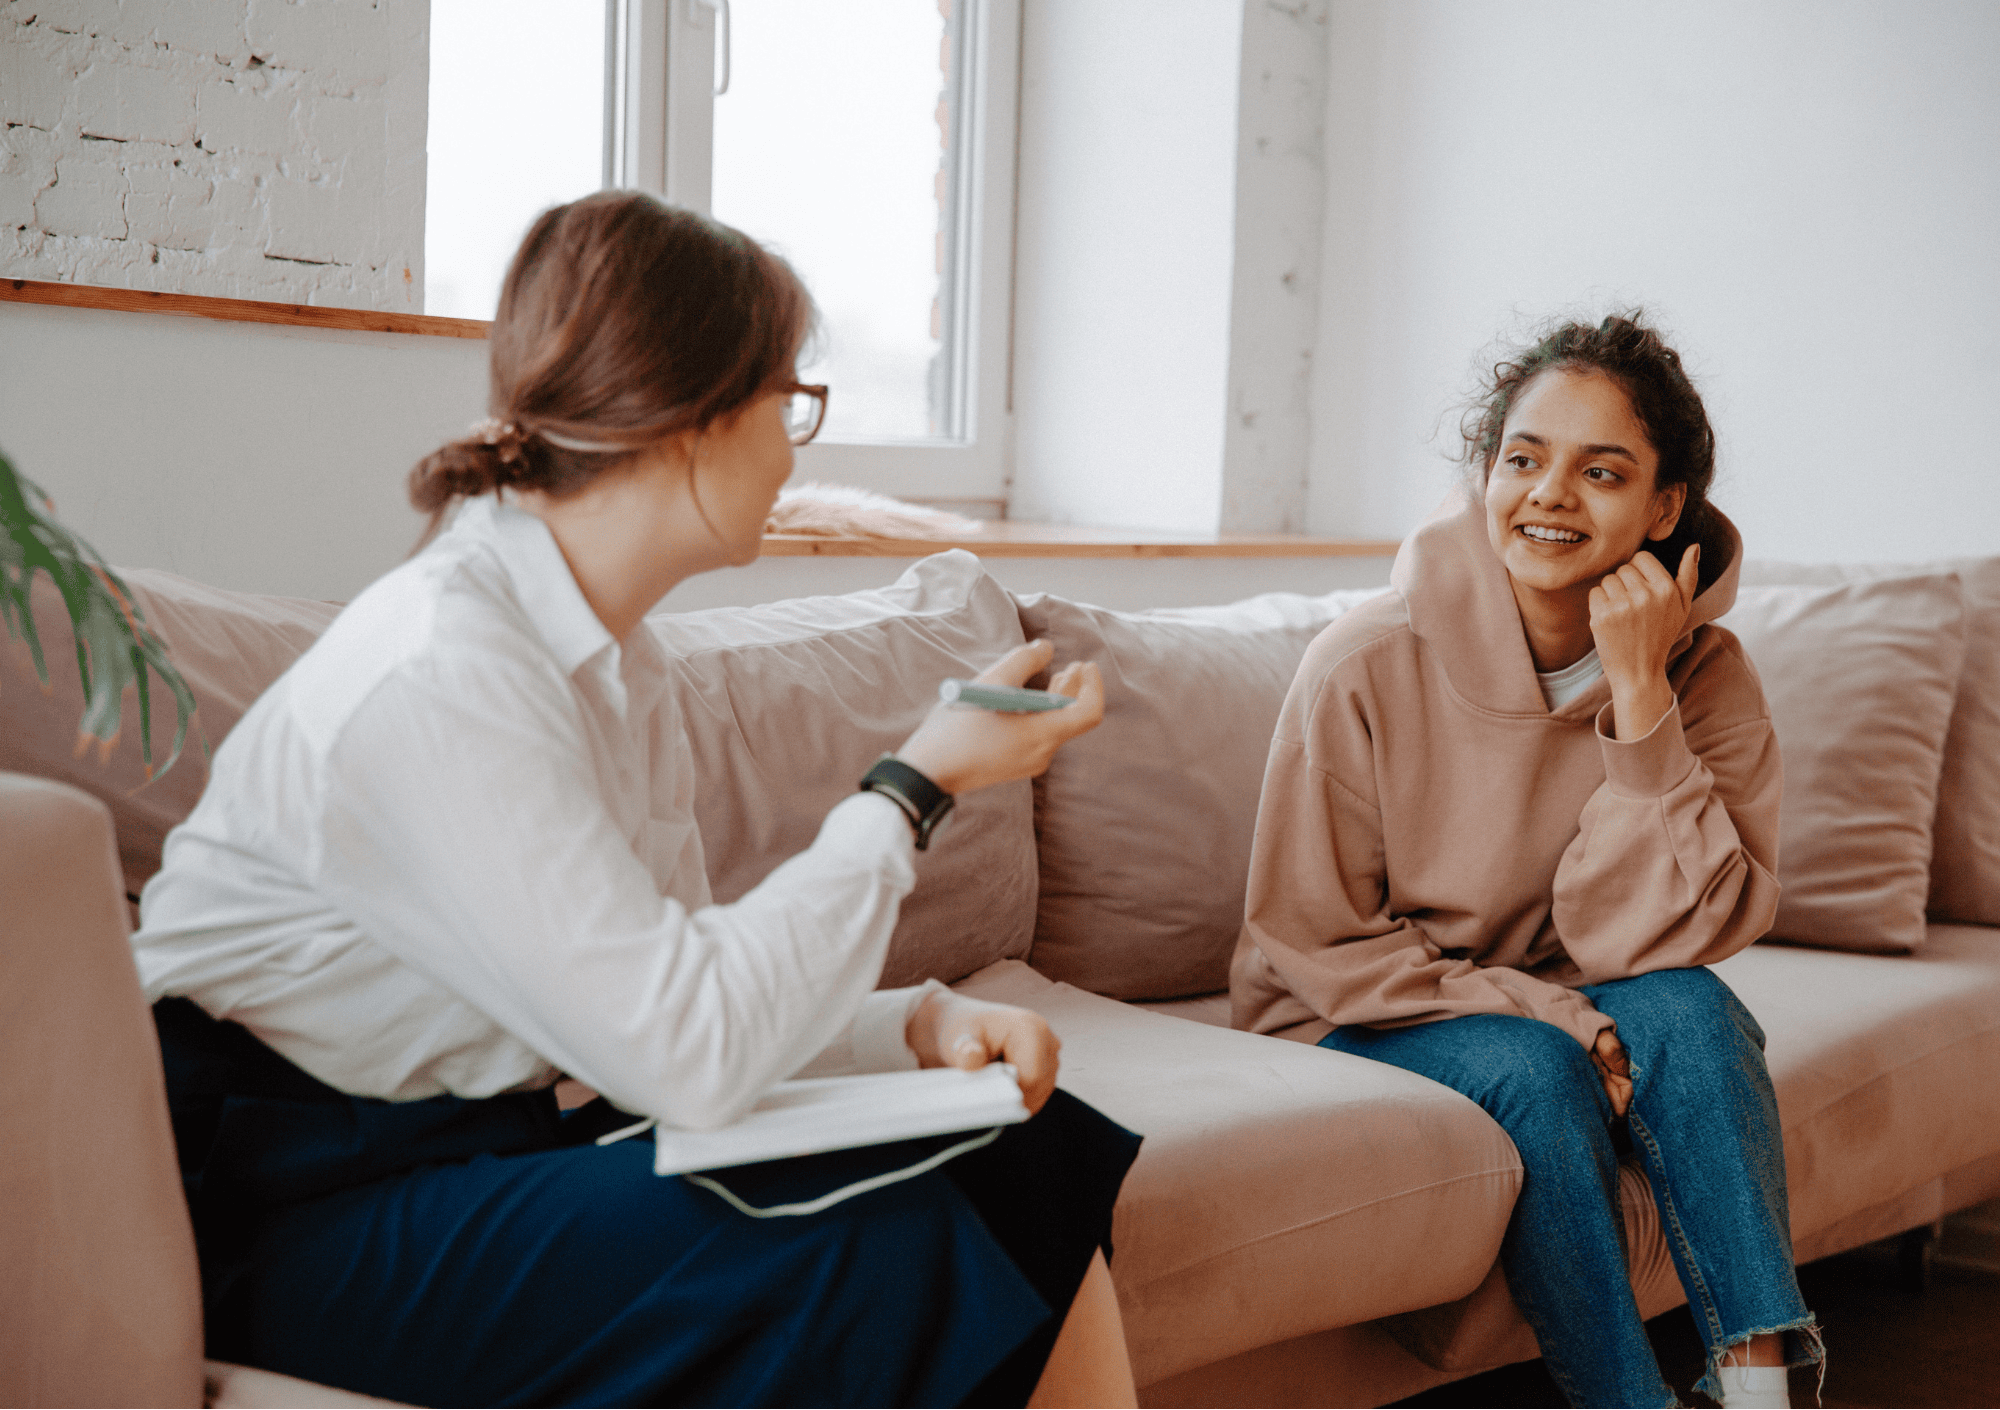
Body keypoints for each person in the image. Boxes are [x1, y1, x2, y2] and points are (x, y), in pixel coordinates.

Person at [131, 191, 1140, 1409]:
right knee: (875, 1236)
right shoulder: (447, 668)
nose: (793, 446)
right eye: (790, 402)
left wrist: (911, 1028)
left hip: (476, 1149)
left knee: (1028, 1147)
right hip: (278, 1209)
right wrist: (913, 785)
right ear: (690, 418)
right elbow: (691, 1055)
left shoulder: (618, 659)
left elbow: (673, 983)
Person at [1231, 314, 1819, 1408]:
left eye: (1599, 472)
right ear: (1484, 476)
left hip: (1557, 990)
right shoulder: (1360, 664)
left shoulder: (1706, 676)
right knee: (1538, 1072)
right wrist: (1558, 1017)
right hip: (1355, 1010)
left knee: (1692, 1011)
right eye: (1521, 459)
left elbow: (1674, 938)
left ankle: (1758, 1388)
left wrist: (1640, 702)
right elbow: (1311, 940)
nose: (1548, 495)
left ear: (1662, 508)